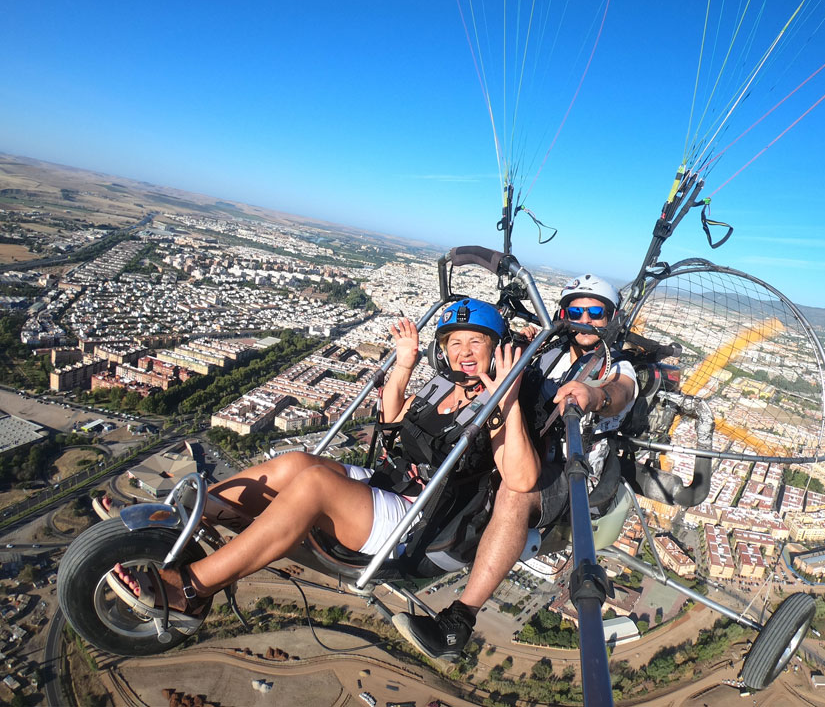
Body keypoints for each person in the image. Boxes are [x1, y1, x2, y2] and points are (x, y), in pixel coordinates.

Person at [103, 298, 539, 622]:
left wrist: (510, 394)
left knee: (313, 484)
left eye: (475, 342)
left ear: (494, 348)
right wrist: (404, 363)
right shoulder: (446, 389)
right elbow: (391, 423)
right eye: (455, 342)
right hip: (388, 482)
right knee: (296, 463)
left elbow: (520, 478)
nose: (464, 351)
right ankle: (189, 515)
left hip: (415, 519)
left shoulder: (498, 406)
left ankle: (192, 589)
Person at [393, 274, 638, 660]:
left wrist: (593, 395)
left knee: (514, 491)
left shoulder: (617, 366)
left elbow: (619, 394)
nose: (585, 319)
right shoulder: (550, 351)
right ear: (562, 314)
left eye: (596, 312)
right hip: (531, 445)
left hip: (568, 469)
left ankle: (459, 622)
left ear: (612, 317)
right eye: (576, 310)